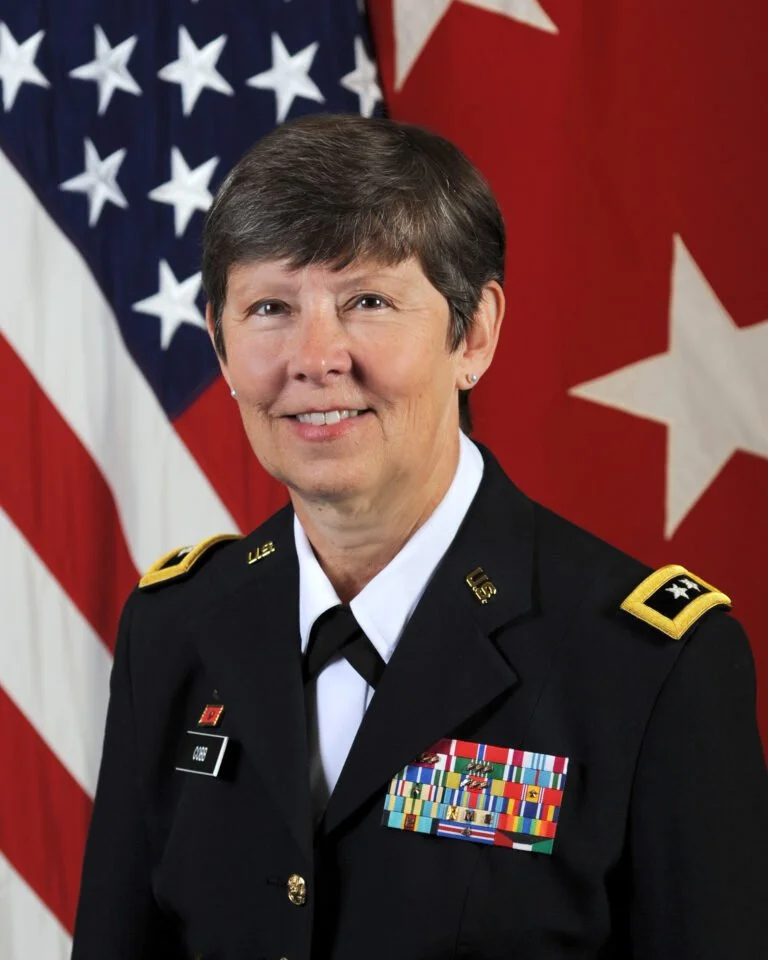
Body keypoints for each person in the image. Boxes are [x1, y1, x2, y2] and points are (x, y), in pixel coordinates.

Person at [72, 114, 767, 960]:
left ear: (472, 334)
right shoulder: (177, 626)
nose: (315, 356)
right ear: (219, 346)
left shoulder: (649, 666)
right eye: (269, 307)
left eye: (367, 300)